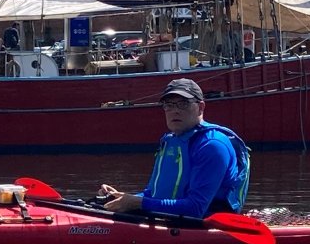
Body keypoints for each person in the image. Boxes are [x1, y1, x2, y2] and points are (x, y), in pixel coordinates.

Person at [100, 78, 250, 218]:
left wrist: (137, 203)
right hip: (172, 221)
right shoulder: (170, 142)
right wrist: (121, 198)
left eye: (183, 104)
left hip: (202, 226)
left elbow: (195, 208)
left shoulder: (212, 145)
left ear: (200, 107)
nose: (175, 111)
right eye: (169, 105)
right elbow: (153, 195)